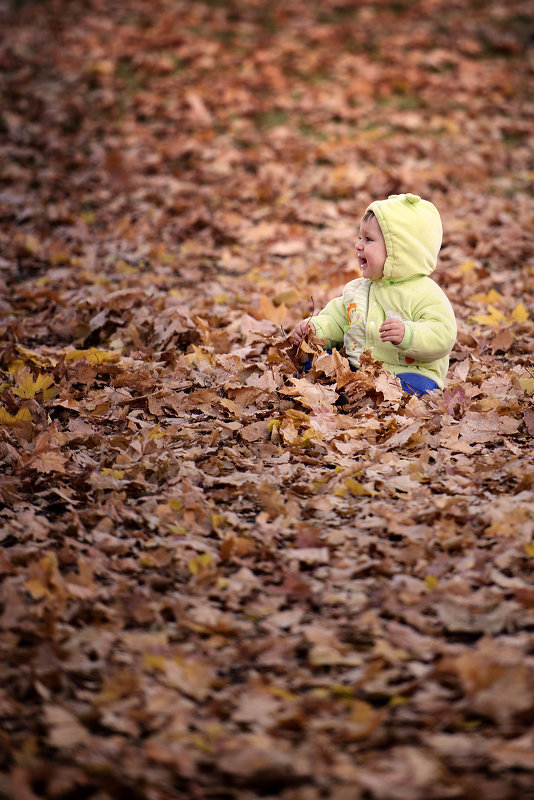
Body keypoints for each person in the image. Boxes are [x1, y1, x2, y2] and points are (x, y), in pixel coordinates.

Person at [291, 193, 457, 395]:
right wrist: (315, 329)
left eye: (368, 239)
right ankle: (327, 389)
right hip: (358, 370)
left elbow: (443, 335)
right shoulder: (358, 290)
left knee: (412, 388)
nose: (358, 245)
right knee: (318, 360)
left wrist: (409, 334)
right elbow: (336, 320)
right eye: (360, 237)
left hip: (408, 371)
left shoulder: (425, 293)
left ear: (400, 250)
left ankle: (369, 394)